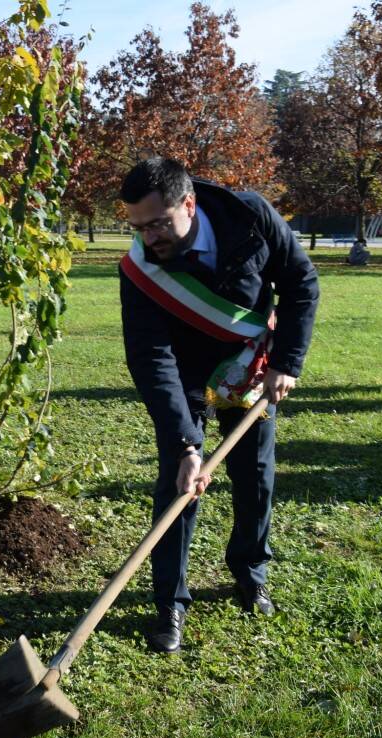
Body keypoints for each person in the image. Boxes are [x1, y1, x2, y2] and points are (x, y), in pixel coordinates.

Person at [118, 157, 319, 653]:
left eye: (158, 224)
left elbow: (300, 285)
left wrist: (286, 363)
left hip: (250, 365)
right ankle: (170, 601)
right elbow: (150, 358)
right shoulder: (141, 269)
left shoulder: (249, 216)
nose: (149, 239)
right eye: (138, 228)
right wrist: (187, 442)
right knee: (179, 483)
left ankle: (251, 573)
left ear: (189, 204)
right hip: (185, 372)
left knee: (255, 473)